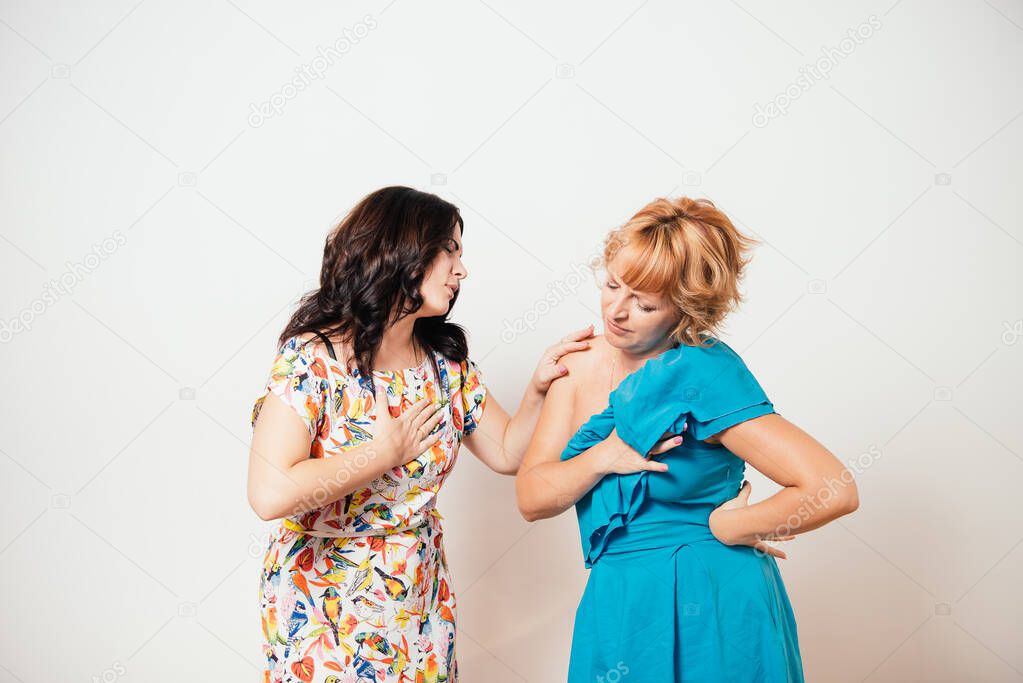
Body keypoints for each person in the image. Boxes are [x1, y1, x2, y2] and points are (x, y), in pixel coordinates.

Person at [247, 186, 590, 682]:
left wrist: (537, 390)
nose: (462, 270)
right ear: (402, 254)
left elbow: (507, 452)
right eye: (449, 252)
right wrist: (383, 451)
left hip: (418, 597)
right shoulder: (313, 359)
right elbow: (269, 492)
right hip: (322, 604)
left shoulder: (444, 366)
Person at [516, 196, 860, 682]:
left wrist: (732, 528)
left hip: (714, 598)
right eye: (613, 284)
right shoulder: (575, 365)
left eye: (645, 303)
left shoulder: (705, 373)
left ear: (687, 309)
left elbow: (833, 487)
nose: (617, 310)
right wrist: (607, 456)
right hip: (620, 604)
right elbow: (531, 497)